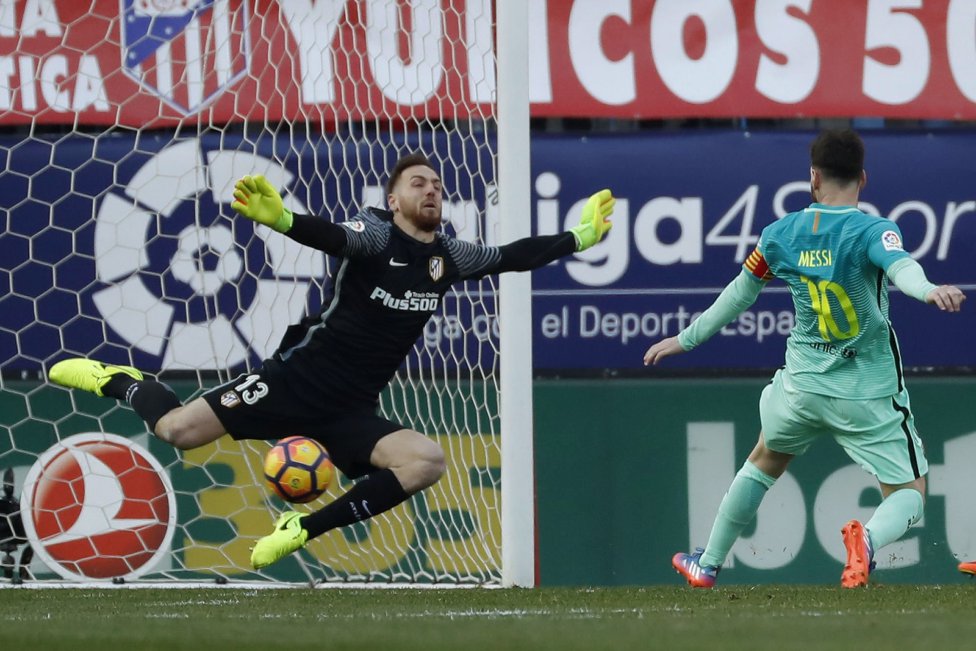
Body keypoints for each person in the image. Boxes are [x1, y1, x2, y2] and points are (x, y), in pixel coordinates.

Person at [50, 153, 615, 570]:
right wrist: (284, 222)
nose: (432, 191)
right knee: (177, 430)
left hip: (350, 410)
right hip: (293, 382)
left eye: (438, 186)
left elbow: (511, 256)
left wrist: (579, 236)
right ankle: (119, 381)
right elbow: (336, 239)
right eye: (418, 184)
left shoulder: (448, 257)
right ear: (393, 200)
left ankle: (301, 527)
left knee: (425, 462)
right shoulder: (374, 234)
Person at [643, 129, 965, 589]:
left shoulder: (779, 234)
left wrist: (686, 339)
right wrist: (929, 290)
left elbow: (739, 293)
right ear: (863, 178)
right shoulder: (874, 230)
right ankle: (867, 541)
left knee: (764, 459)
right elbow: (902, 267)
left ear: (813, 177)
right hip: (866, 390)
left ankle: (708, 563)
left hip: (801, 386)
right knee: (910, 493)